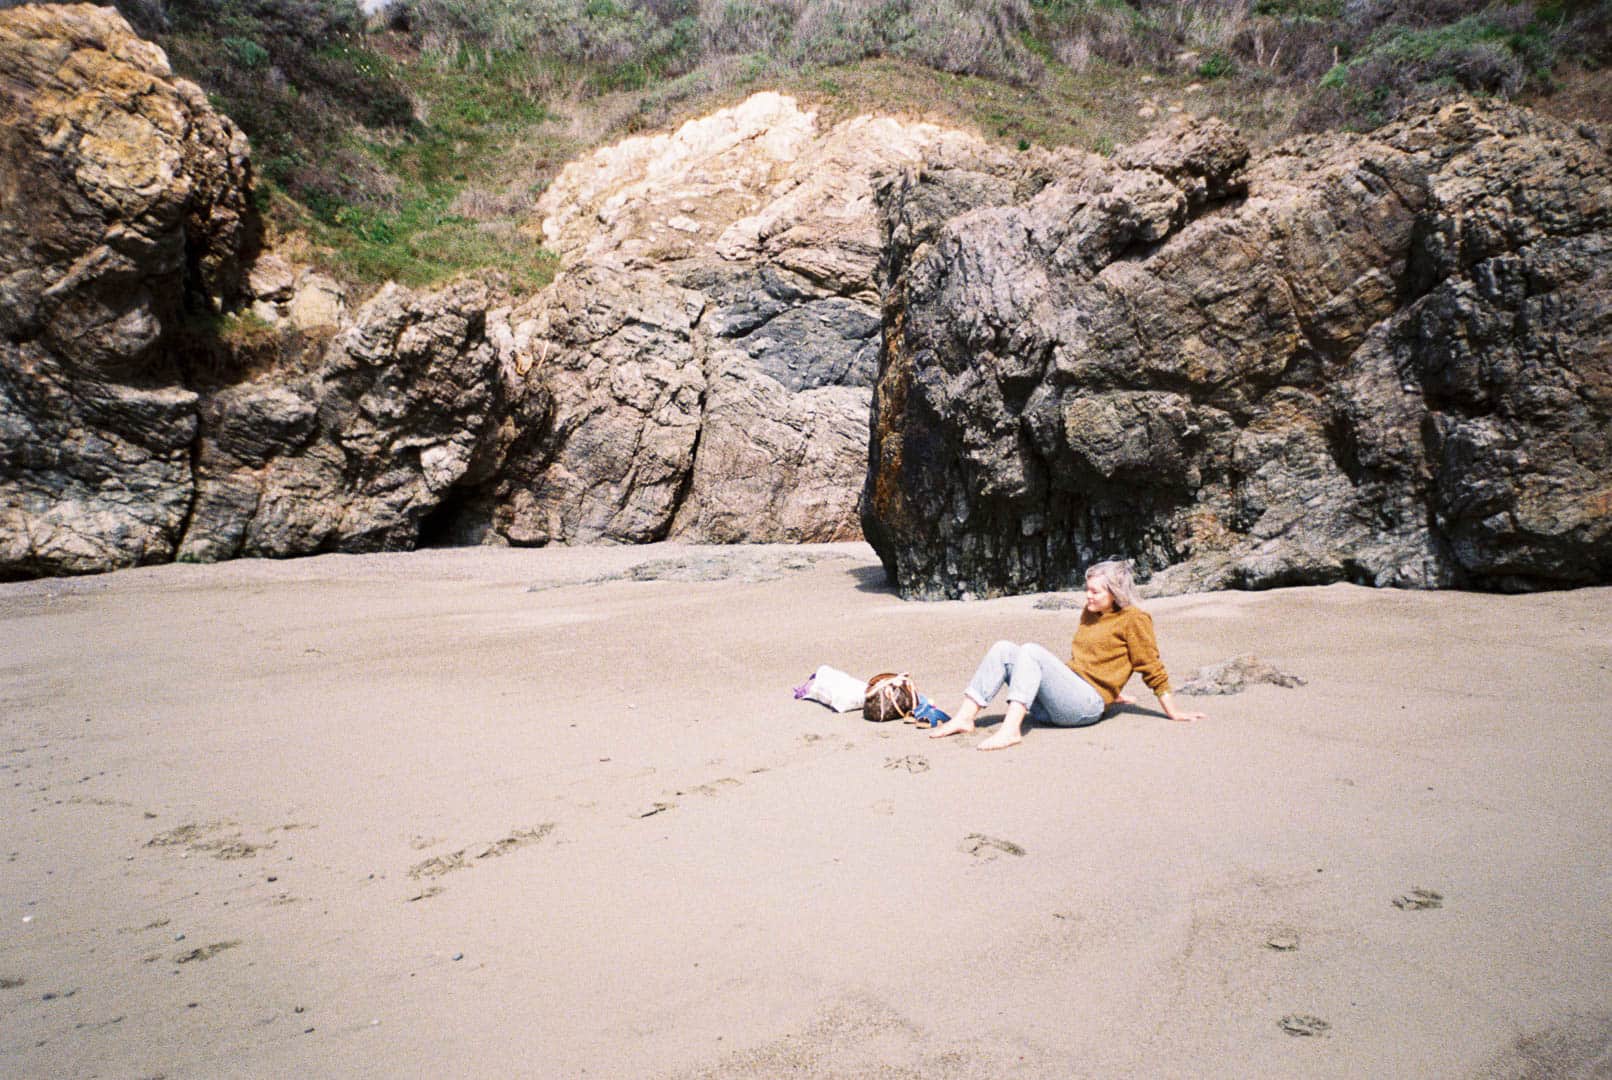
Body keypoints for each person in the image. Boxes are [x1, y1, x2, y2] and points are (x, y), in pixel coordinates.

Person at [930, 559, 1207, 750]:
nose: (1088, 596)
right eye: (1086, 589)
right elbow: (1089, 662)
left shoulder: (1135, 619)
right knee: (1004, 648)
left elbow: (1150, 666)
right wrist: (1115, 687)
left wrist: (1174, 711)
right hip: (1058, 703)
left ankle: (1011, 730)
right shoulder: (1091, 613)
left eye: (1095, 591)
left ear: (1115, 592)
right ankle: (964, 718)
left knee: (1031, 651)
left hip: (1084, 708)